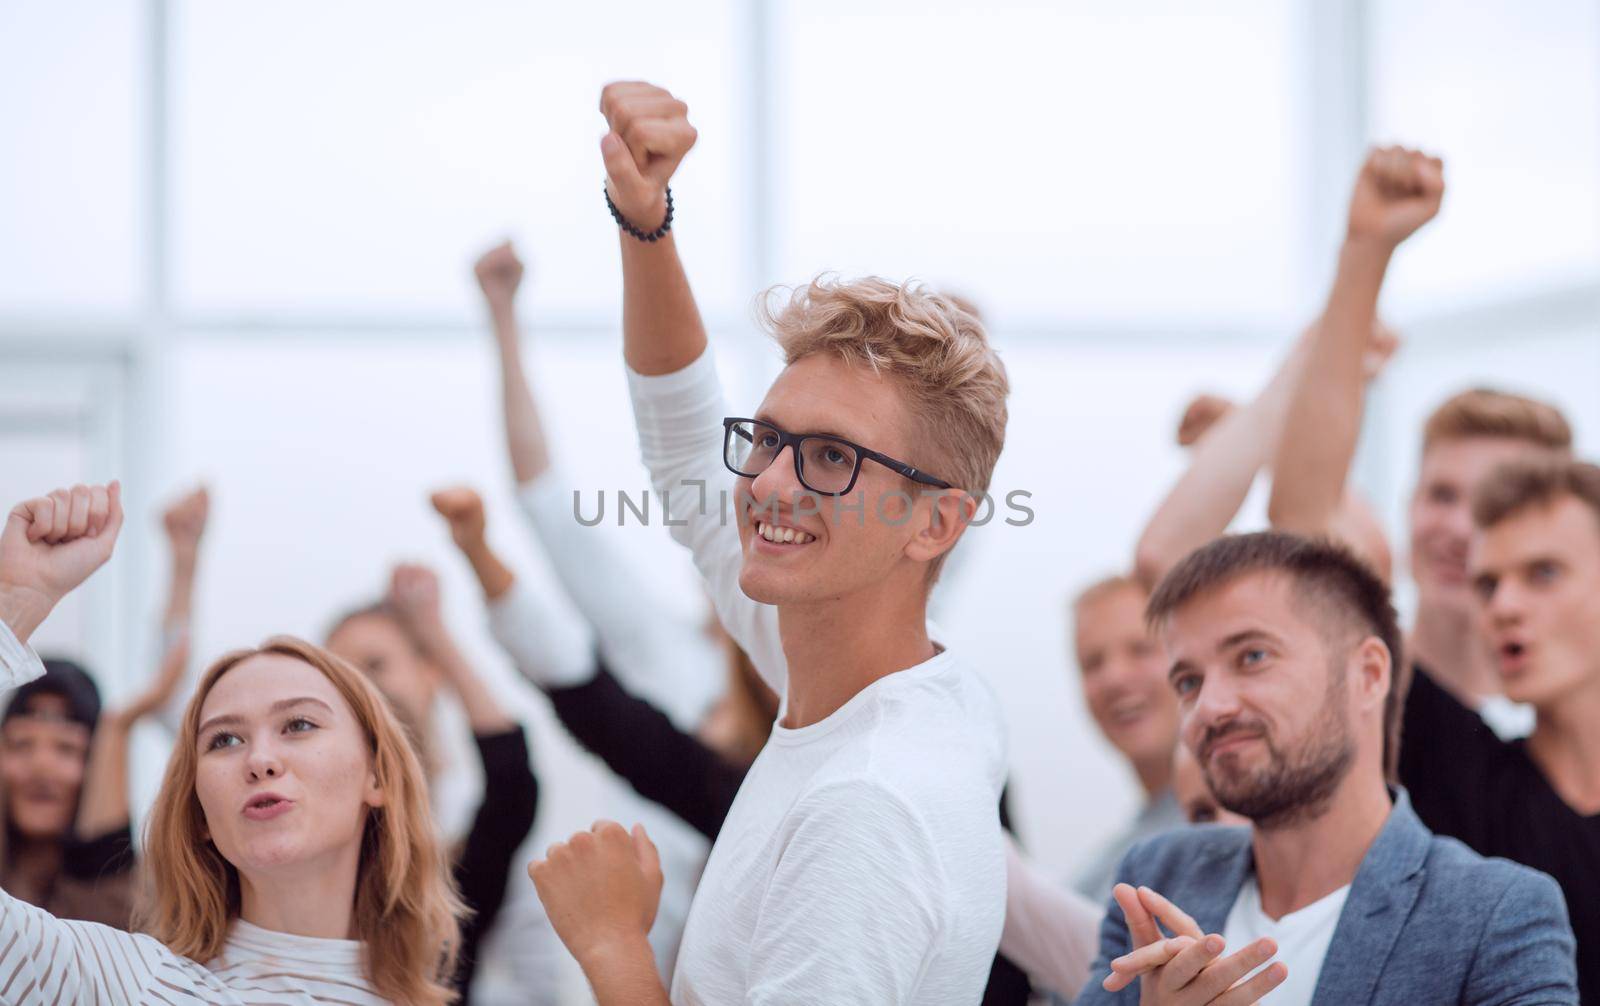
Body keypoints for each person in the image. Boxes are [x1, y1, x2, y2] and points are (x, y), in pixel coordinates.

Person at [528, 81, 1010, 1005]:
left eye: (833, 456)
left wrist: (614, 949)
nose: (771, 485)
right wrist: (646, 223)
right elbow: (680, 444)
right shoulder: (894, 683)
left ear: (936, 524)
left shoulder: (862, 809)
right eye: (770, 439)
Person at [438, 485, 1033, 1005]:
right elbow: (600, 709)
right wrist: (479, 556)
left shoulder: (863, 799)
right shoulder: (949, 717)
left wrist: (611, 945)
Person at [0, 481, 465, 1004]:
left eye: (299, 725)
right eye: (224, 740)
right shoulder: (126, 985)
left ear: (377, 774)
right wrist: (15, 603)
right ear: (199, 811)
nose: (260, 760)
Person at [1077, 532, 1577, 1005]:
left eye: (1252, 656)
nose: (1209, 706)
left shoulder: (1496, 914)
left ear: (1369, 674)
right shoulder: (1155, 880)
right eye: (1188, 682)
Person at [1397, 458, 1600, 1001]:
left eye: (1544, 573)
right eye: (1486, 585)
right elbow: (1311, 519)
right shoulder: (1462, 773)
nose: (1503, 606)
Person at [325, 561, 538, 998]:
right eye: (339, 674)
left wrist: (436, 633)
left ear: (430, 671)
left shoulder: (460, 839)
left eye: (375, 665)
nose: (360, 688)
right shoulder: (314, 831)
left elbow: (512, 783)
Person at [1069, 576, 1185, 903]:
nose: (1115, 678)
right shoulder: (1097, 871)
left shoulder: (1259, 830)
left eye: (1141, 649)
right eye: (1092, 663)